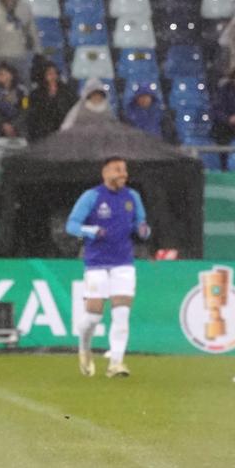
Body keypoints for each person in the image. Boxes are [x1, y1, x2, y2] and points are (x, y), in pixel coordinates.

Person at [66, 156, 150, 378]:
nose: (123, 174)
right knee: (93, 316)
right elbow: (72, 225)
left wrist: (143, 230)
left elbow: (141, 223)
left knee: (121, 313)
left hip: (124, 262)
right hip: (96, 263)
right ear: (105, 173)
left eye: (124, 170)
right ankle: (84, 346)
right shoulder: (92, 196)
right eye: (117, 170)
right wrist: (91, 231)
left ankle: (116, 363)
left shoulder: (132, 197)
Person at [27, 62, 77, 142]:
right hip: (43, 134)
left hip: (63, 132)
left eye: (55, 73)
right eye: (49, 74)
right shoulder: (35, 94)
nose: (53, 76)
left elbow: (74, 110)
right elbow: (32, 115)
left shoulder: (67, 91)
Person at [0, 63, 27, 139]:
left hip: (16, 122)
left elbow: (25, 109)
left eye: (2, 74)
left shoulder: (22, 89)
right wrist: (2, 124)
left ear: (11, 75)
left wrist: (14, 124)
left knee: (24, 133)